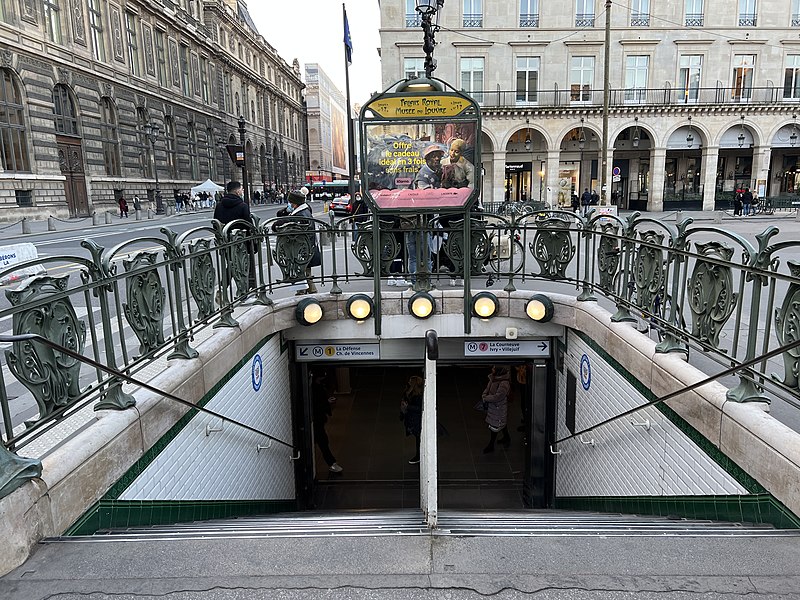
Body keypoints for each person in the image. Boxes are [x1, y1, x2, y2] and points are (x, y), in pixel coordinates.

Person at [213, 181, 256, 295]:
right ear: (237, 191)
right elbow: (248, 224)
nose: (242, 191)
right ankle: (242, 291)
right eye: (241, 189)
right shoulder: (242, 206)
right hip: (242, 241)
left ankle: (223, 288)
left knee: (232, 264)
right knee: (243, 265)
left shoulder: (219, 206)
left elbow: (216, 224)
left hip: (226, 241)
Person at [275, 189, 320, 295]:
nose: (289, 204)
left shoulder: (299, 214)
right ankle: (310, 293)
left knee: (302, 272)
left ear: (294, 203)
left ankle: (306, 294)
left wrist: (279, 223)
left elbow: (286, 225)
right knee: (305, 273)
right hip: (306, 249)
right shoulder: (304, 211)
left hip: (301, 250)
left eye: (290, 202)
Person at [311, 371, 342, 473]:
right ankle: (331, 463)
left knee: (322, 442)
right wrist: (326, 403)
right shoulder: (316, 389)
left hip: (316, 420)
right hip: (317, 420)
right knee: (323, 442)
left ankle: (331, 463)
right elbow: (318, 404)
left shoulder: (313, 387)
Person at [481, 365, 511, 454]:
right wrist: (484, 395)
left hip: (498, 407)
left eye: (494, 368)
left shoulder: (504, 383)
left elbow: (498, 396)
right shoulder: (493, 378)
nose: (492, 369)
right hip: (494, 407)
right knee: (500, 423)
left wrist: (486, 398)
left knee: (495, 425)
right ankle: (507, 438)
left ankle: (491, 445)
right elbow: (487, 389)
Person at [401, 375, 424, 465]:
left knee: (419, 439)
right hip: (413, 419)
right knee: (418, 439)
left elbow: (419, 408)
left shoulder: (418, 396)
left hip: (416, 421)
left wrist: (407, 407)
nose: (408, 383)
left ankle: (419, 455)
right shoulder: (412, 394)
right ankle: (419, 455)